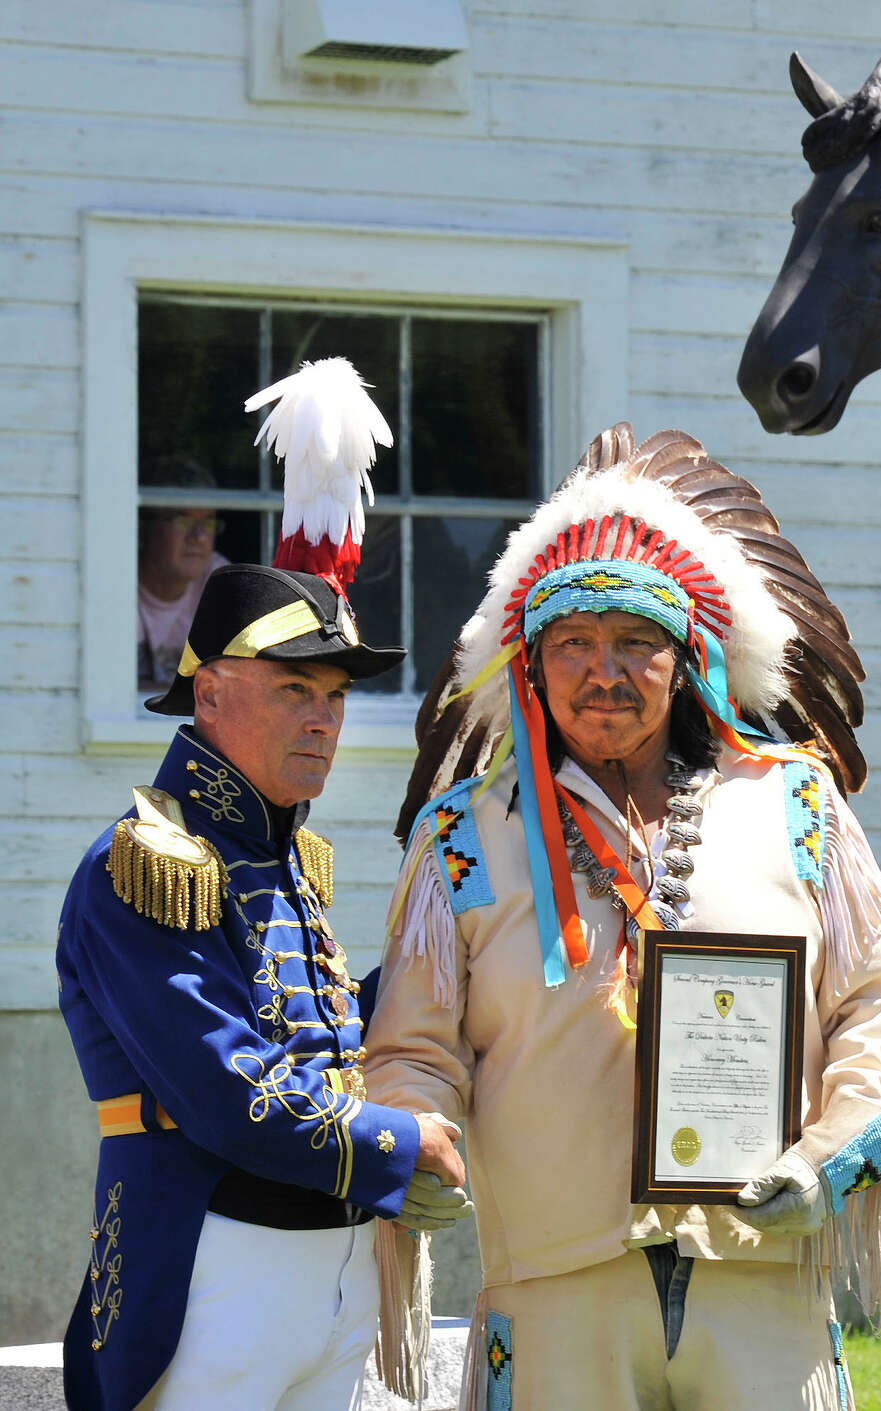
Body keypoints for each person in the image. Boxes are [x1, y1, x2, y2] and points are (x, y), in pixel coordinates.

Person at [366, 424, 881, 1411]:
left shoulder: (794, 807)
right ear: (532, 665)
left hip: (760, 1275)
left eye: (637, 642)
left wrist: (830, 1154)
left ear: (686, 661)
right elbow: (414, 1045)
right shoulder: (465, 837)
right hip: (557, 1293)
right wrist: (417, 1136)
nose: (606, 671)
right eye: (576, 644)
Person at [58, 363, 473, 1411]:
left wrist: (455, 964)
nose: (325, 720)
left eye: (333, 696)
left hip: (327, 1269)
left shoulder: (286, 859)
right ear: (209, 693)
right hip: (212, 1265)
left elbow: (326, 1039)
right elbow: (223, 1086)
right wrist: (398, 1138)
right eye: (295, 689)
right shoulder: (146, 862)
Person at [137, 459, 230, 691]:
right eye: (183, 519)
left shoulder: (217, 580)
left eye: (208, 523)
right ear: (143, 527)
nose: (198, 536)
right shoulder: (115, 580)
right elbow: (110, 687)